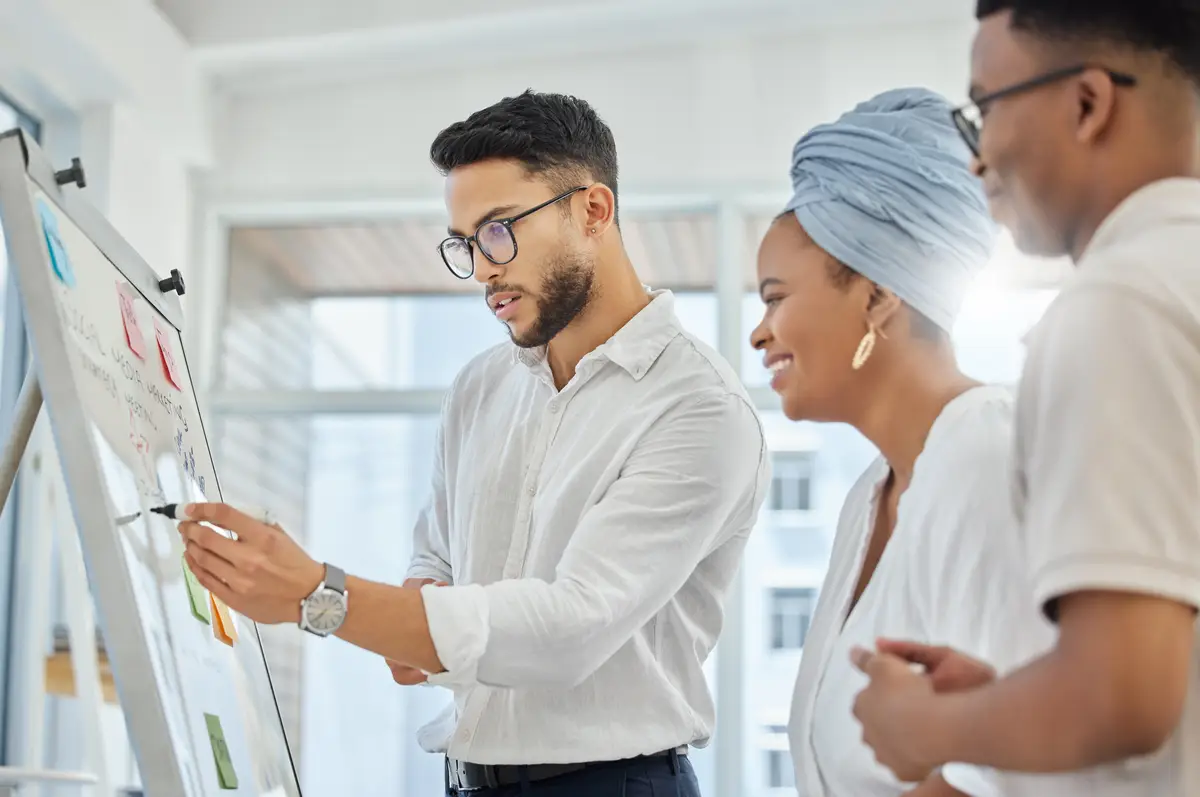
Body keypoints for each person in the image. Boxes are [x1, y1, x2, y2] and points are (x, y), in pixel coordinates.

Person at [176, 89, 769, 797]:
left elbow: (569, 629)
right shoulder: (481, 387)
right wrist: (415, 622)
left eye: (498, 230)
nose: (483, 268)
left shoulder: (697, 406)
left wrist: (318, 594)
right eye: (465, 244)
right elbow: (436, 558)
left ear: (594, 211)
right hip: (467, 779)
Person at [850, 2, 1200, 795]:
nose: (980, 159)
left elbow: (1125, 697)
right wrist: (1002, 699)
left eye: (986, 109)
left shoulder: (1121, 304)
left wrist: (927, 728)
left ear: (1087, 103)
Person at [749, 87, 1054, 797]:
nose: (759, 332)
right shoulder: (870, 495)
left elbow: (1001, 776)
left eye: (775, 297)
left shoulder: (984, 460)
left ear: (878, 296)